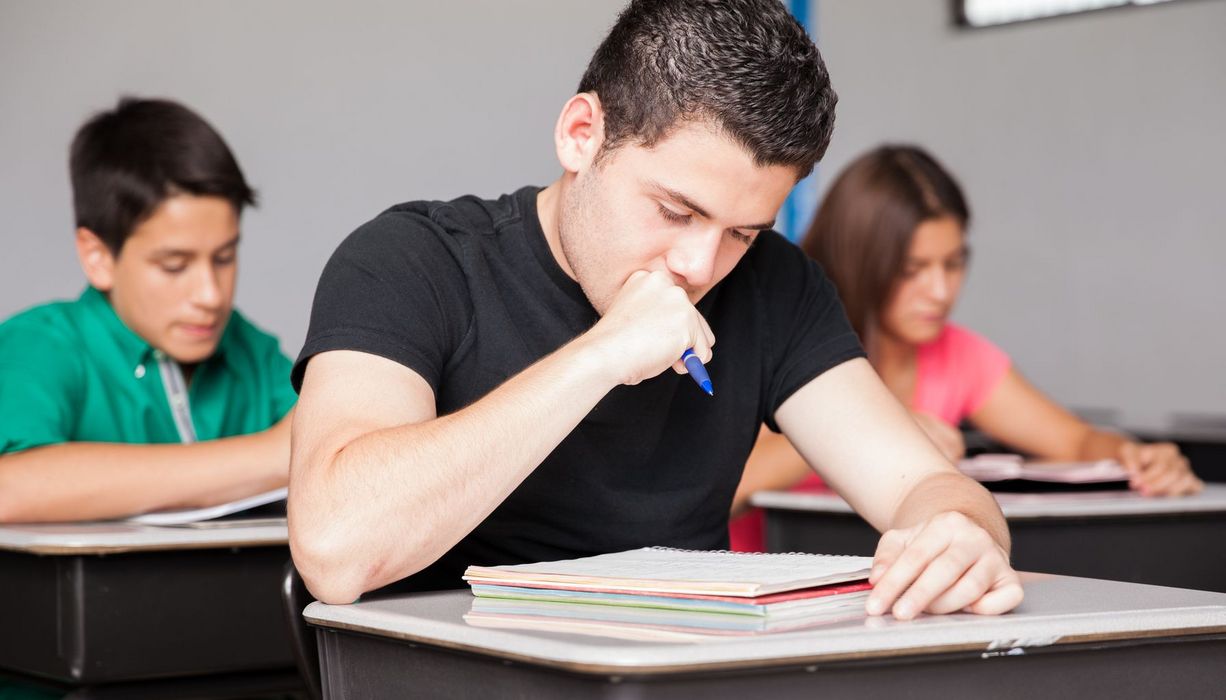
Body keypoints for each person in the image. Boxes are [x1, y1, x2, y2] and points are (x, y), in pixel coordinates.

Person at [289, 0, 1023, 622]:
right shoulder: (412, 260)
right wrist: (600, 355)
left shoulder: (775, 287)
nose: (700, 267)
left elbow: (924, 483)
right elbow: (336, 549)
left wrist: (959, 532)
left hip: (675, 675)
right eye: (675, 210)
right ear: (583, 135)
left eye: (741, 232)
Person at [731, 144, 1203, 551]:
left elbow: (1075, 441)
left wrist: (1135, 457)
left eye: (953, 264)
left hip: (888, 589)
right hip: (764, 586)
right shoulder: (786, 337)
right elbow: (732, 484)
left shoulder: (959, 356)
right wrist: (881, 433)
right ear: (860, 263)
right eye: (912, 269)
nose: (939, 290)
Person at [0, 98, 297, 523]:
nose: (211, 295)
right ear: (98, 256)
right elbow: (10, 489)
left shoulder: (252, 352)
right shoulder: (41, 345)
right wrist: (270, 455)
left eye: (224, 257)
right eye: (174, 265)